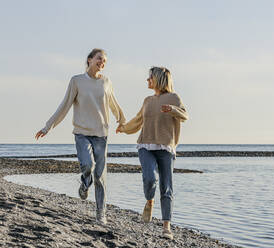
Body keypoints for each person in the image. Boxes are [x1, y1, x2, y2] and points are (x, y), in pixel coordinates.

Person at [35, 48, 126, 224]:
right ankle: (85, 183)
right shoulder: (77, 81)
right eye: (99, 58)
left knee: (100, 176)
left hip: (101, 135)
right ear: (90, 59)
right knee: (87, 165)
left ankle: (101, 214)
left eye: (105, 61)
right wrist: (48, 127)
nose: (102, 62)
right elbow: (65, 105)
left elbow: (114, 103)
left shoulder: (106, 82)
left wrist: (122, 121)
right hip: (82, 133)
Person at [116, 66, 188, 239]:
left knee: (166, 187)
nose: (147, 80)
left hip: (166, 147)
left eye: (149, 77)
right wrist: (124, 128)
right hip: (145, 145)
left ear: (158, 79)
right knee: (149, 178)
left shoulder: (174, 97)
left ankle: (166, 227)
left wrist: (172, 110)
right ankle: (149, 200)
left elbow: (184, 115)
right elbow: (138, 120)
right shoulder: (147, 100)